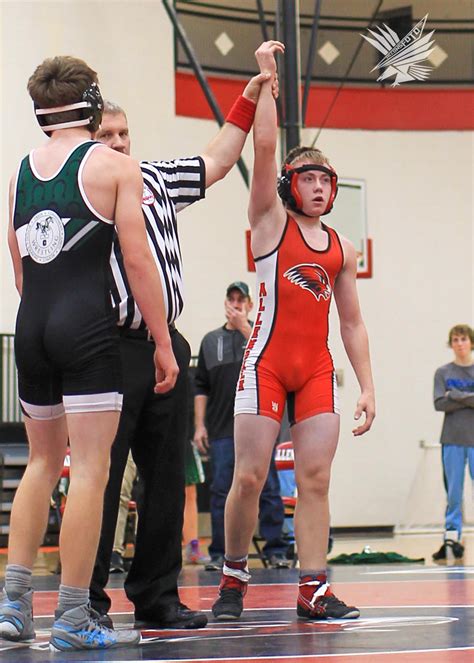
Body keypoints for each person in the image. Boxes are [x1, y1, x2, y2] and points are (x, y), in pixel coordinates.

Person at [0, 56, 177, 652]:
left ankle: (14, 606)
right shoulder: (114, 167)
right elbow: (137, 261)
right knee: (93, 471)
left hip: (33, 327)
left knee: (40, 463)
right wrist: (160, 340)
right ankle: (74, 614)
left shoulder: (21, 171)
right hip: (87, 329)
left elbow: (20, 264)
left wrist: (45, 321)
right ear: (93, 102)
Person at [90, 64, 276, 630]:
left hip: (167, 343)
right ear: (86, 143)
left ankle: (158, 596)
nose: (120, 143)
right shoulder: (82, 191)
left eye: (124, 133)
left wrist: (246, 98)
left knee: (168, 477)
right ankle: (89, 598)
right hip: (109, 345)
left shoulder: (155, 178)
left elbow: (218, 160)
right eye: (106, 136)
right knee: (101, 477)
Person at [211, 41, 375, 622]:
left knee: (315, 478)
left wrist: (368, 388)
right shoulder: (267, 222)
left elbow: (351, 321)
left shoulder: (342, 248)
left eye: (328, 180)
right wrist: (265, 82)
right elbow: (261, 146)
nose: (322, 188)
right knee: (250, 477)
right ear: (288, 183)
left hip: (317, 371)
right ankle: (233, 576)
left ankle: (313, 589)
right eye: (310, 178)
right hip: (266, 364)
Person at [194, 282, 290, 571]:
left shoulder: (261, 336)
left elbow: (272, 364)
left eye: (241, 300)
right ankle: (221, 552)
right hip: (223, 428)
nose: (235, 304)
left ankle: (276, 549)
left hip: (260, 426)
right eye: (231, 299)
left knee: (269, 487)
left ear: (250, 304)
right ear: (225, 303)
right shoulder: (211, 341)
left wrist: (245, 327)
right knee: (222, 489)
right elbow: (201, 386)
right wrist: (199, 426)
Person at [432, 324, 474, 561]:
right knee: (454, 493)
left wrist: (455, 396)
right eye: (455, 340)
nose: (459, 344)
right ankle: (452, 537)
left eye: (463, 339)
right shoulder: (443, 373)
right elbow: (439, 403)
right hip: (452, 439)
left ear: (471, 342)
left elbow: (449, 399)